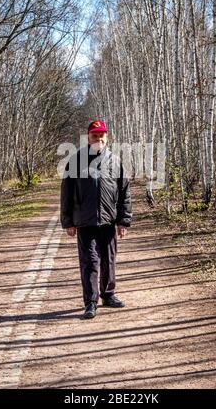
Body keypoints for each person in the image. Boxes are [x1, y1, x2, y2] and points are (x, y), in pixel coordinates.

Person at [60, 119, 132, 319]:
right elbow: (66, 193)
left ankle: (108, 295)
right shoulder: (75, 161)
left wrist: (123, 221)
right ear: (88, 137)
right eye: (95, 135)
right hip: (85, 222)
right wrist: (68, 222)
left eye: (102, 135)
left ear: (107, 137)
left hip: (109, 221)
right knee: (90, 262)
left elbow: (125, 193)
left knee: (109, 260)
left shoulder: (116, 161)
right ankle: (90, 302)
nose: (98, 138)